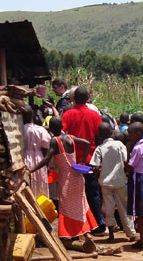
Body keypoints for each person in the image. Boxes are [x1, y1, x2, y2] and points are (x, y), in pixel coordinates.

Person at [28, 117, 97, 246]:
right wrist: (82, 161)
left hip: (66, 178)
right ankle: (86, 232)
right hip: (77, 175)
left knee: (66, 207)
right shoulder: (70, 137)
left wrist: (32, 170)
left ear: (52, 129)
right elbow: (87, 142)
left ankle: (70, 234)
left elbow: (47, 159)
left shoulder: (55, 141)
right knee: (81, 203)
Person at [62, 86, 106, 234]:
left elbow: (61, 133)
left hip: (73, 160)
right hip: (90, 159)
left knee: (75, 193)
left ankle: (80, 225)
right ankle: (99, 223)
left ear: (73, 99)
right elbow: (100, 135)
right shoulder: (94, 115)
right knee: (93, 192)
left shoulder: (68, 114)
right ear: (88, 98)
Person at [91, 122, 137, 242]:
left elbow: (95, 166)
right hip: (120, 180)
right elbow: (126, 160)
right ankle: (131, 234)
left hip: (105, 182)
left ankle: (111, 235)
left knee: (108, 208)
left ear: (100, 136)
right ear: (112, 132)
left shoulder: (100, 148)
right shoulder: (119, 145)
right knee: (124, 207)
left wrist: (97, 178)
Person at [125, 122, 143, 250]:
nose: (129, 136)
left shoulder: (136, 148)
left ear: (137, 134)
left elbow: (130, 167)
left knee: (140, 211)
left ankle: (142, 239)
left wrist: (127, 153)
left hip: (139, 179)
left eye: (130, 134)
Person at [21, 104, 51, 199]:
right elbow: (46, 147)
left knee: (28, 184)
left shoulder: (21, 129)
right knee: (40, 182)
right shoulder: (41, 130)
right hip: (39, 159)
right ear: (33, 115)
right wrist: (46, 163)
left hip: (25, 157)